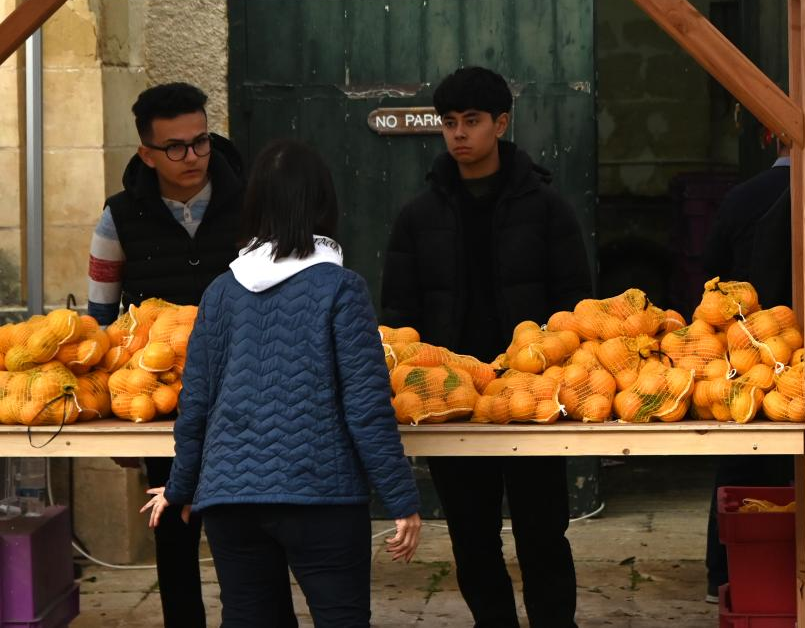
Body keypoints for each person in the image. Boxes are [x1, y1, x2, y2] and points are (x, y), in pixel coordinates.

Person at [142, 139, 422, 628]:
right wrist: (401, 498)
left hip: (231, 501)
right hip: (322, 497)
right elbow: (366, 406)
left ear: (254, 206)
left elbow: (197, 406)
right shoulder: (341, 288)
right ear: (324, 205)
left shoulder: (221, 291)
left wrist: (181, 487)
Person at [381, 66, 592, 627]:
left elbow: (576, 308)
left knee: (543, 533)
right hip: (450, 402)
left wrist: (557, 380)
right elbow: (398, 318)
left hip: (532, 400)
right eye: (448, 123)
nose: (458, 134)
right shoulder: (416, 217)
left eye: (471, 121)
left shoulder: (548, 209)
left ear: (501, 122)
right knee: (472, 539)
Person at [87, 83, 299, 627]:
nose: (192, 157)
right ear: (146, 154)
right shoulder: (117, 218)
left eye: (201, 142)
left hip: (249, 401)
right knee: (175, 538)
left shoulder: (256, 205)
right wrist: (115, 418)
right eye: (175, 147)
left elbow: (287, 301)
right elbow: (101, 324)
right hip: (159, 403)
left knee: (252, 537)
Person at [700, 133, 795, 603]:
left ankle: (724, 572)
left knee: (742, 457)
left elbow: (709, 278)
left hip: (745, 354)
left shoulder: (741, 198)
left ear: (768, 136)